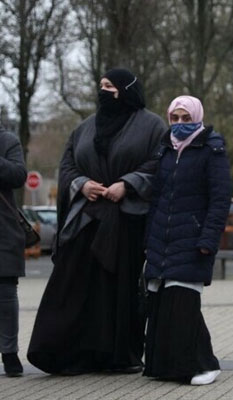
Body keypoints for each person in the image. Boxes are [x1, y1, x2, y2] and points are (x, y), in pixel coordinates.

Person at [27, 68, 168, 375]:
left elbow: (160, 163)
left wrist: (127, 184)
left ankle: (116, 356)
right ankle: (62, 352)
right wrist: (82, 184)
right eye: (101, 86)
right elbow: (67, 166)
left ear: (127, 90)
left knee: (118, 292)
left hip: (127, 222)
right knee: (70, 285)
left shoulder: (153, 125)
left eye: (111, 86)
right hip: (86, 221)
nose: (104, 91)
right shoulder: (84, 128)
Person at [142, 95, 231, 386]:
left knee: (184, 306)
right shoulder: (164, 149)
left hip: (193, 240)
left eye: (186, 118)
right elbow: (156, 198)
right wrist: (149, 238)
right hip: (161, 242)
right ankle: (164, 367)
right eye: (175, 118)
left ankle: (205, 364)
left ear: (197, 117)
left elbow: (219, 201)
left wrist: (208, 239)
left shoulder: (212, 149)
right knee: (163, 305)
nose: (180, 124)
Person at [0, 125, 27, 377]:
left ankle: (9, 352)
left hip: (3, 230)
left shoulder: (7, 140)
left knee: (6, 293)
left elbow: (18, 175)